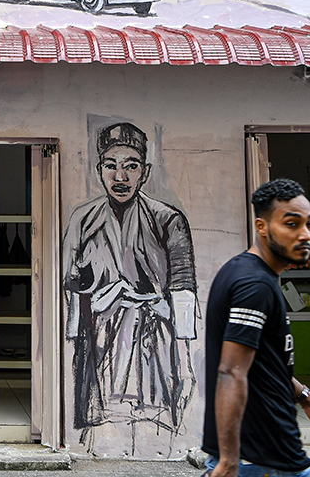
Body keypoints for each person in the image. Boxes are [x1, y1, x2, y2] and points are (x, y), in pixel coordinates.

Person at [201, 178, 310, 477]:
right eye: (292, 224)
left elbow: (264, 363)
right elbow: (231, 372)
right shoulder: (255, 285)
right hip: (264, 455)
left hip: (260, 453)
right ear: (262, 226)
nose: (305, 235)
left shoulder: (243, 271)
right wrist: (229, 461)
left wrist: (307, 399)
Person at [62, 122, 197, 437]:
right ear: (99, 170)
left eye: (131, 166)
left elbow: (183, 289)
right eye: (111, 166)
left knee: (154, 423)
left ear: (144, 172)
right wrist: (79, 333)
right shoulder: (82, 219)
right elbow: (71, 285)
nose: (120, 177)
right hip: (98, 340)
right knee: (98, 428)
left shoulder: (168, 219)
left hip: (154, 339)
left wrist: (183, 355)